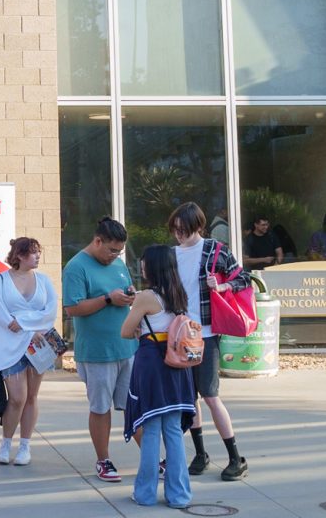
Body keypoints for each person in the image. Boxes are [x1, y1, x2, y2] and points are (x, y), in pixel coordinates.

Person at [169, 202, 251, 481]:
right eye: (176, 230)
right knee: (190, 399)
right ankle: (200, 454)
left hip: (206, 333)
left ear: (198, 227)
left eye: (184, 230)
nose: (179, 235)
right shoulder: (171, 255)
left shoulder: (216, 250)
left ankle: (235, 457)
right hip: (181, 334)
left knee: (211, 395)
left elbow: (244, 279)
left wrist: (223, 285)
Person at [121, 245, 195, 509]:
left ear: (152, 267)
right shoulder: (179, 292)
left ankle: (145, 494)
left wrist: (139, 321)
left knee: (151, 429)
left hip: (152, 362)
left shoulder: (146, 297)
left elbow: (125, 331)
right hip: (177, 364)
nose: (141, 267)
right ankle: (179, 495)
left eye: (144, 263)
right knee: (173, 430)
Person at [62, 217, 137, 482]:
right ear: (97, 241)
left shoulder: (117, 263)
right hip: (97, 352)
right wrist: (108, 299)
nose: (115, 256)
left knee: (135, 405)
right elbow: (72, 308)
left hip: (127, 347)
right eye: (111, 250)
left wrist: (129, 296)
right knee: (100, 407)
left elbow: (126, 292)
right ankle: (103, 460)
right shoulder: (76, 267)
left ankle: (152, 458)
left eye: (119, 251)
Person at [0, 237, 58, 467]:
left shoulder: (44, 280)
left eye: (38, 252)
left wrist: (24, 323)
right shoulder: (0, 281)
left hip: (38, 346)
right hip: (10, 345)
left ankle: (25, 446)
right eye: (33, 253)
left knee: (32, 397)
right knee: (17, 398)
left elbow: (50, 312)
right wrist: (26, 327)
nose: (38, 256)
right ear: (19, 256)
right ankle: (6, 443)